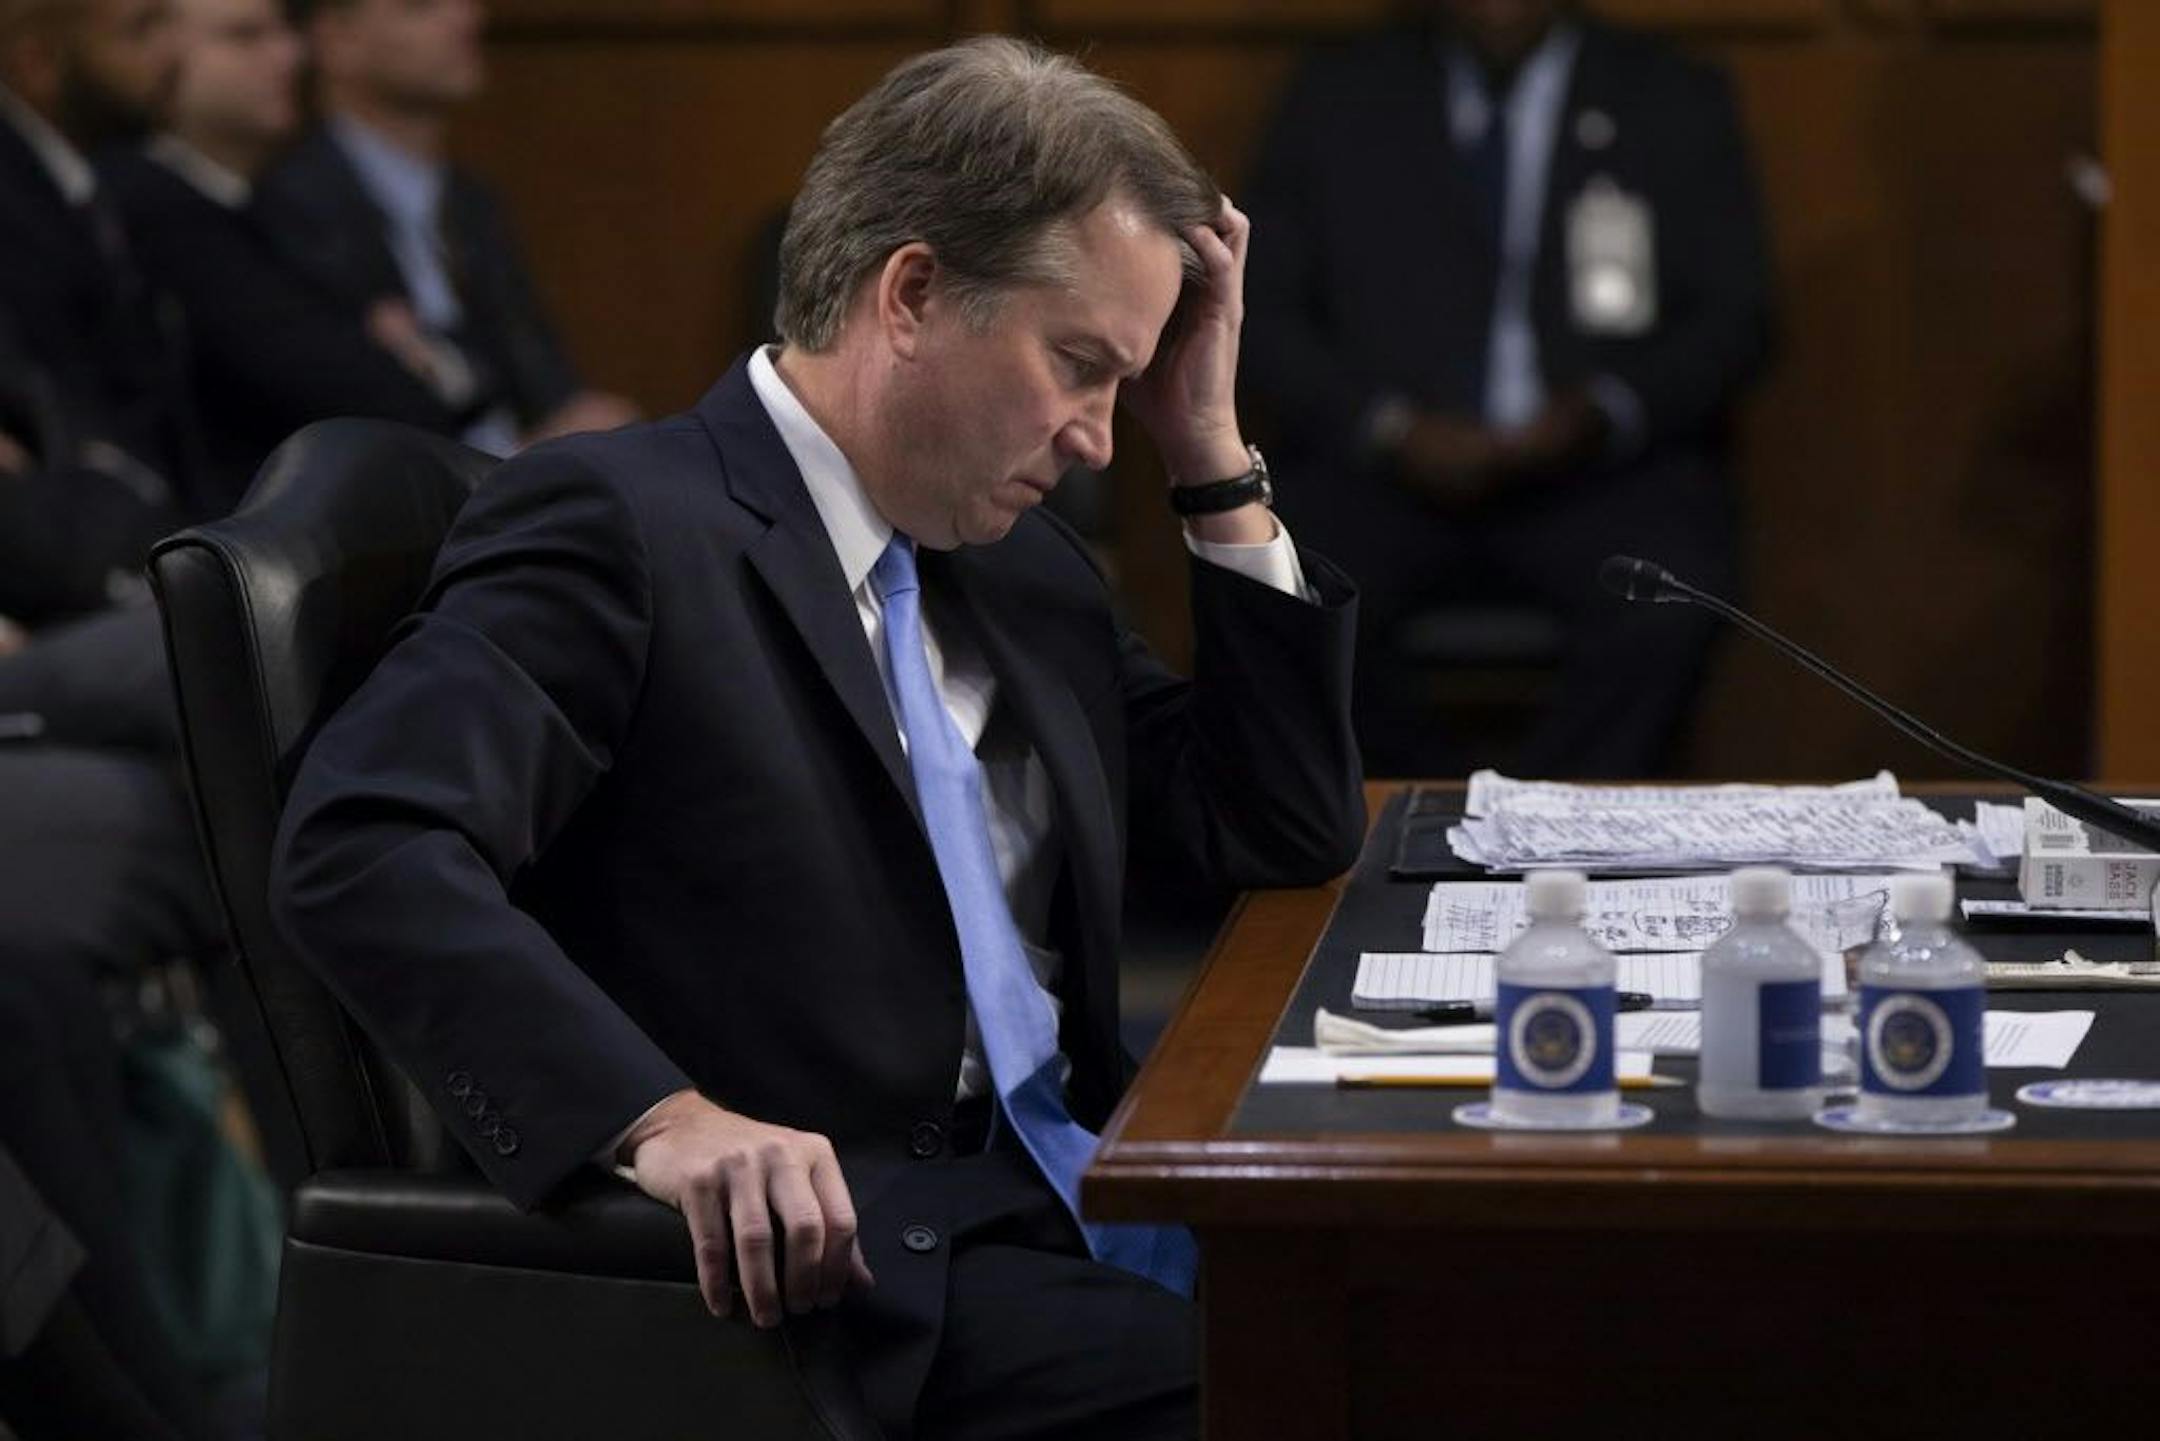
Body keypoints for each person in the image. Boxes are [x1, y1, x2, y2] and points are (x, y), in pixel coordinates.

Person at [271, 37, 1363, 1438]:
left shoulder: (1024, 566)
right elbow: (365, 842)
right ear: (911, 294)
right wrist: (661, 1120)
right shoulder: (627, 525)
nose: (1101, 437)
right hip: (864, 1271)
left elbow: (1271, 827)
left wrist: (1209, 447)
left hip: (1083, 1187)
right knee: (1343, 1390)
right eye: (1079, 365)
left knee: (1464, 1311)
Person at [1242, 0, 1772, 778]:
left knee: (1673, 596)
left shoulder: (1669, 94)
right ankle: (1418, 812)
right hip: (1388, 472)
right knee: (1283, 592)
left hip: (1599, 472)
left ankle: (1552, 821)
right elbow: (1264, 313)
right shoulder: (1340, 92)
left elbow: (1738, 319)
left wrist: (1601, 410)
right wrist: (1392, 427)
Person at [105, 0, 468, 512]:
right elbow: (369, 397)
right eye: (244, 36)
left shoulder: (276, 206)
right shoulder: (158, 213)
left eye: (284, 31)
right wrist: (401, 357)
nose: (290, 54)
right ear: (155, 53)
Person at [257, 0, 636, 458]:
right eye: (421, 6)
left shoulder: (473, 202)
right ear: (337, 41)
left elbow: (544, 382)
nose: (465, 18)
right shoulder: (284, 203)